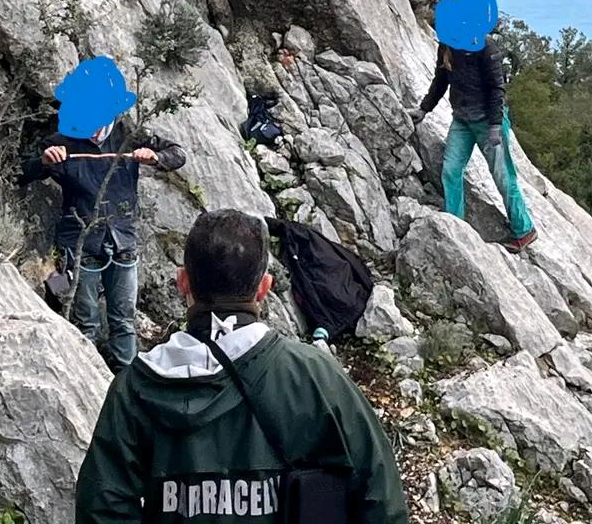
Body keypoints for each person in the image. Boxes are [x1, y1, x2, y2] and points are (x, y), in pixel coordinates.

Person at [75, 209, 409, 524]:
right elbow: (380, 496)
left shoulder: (135, 388)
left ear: (182, 283)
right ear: (264, 287)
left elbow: (101, 507)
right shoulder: (317, 376)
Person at [20, 113, 186, 371]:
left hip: (123, 242)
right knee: (85, 322)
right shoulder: (61, 140)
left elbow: (178, 154)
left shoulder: (129, 134)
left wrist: (156, 158)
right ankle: (86, 379)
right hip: (78, 246)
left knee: (124, 321)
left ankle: (127, 385)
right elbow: (22, 172)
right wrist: (43, 162)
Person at [410, 37, 538, 252]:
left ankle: (524, 230)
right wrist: (424, 109)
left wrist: (496, 125)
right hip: (462, 120)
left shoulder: (485, 47)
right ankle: (455, 224)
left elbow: (497, 87)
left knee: (503, 177)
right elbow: (441, 80)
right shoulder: (446, 46)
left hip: (488, 122)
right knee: (451, 170)